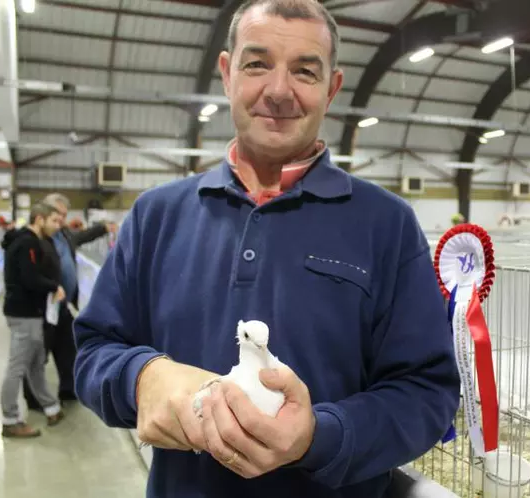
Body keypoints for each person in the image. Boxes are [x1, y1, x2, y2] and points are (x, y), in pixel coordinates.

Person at [73, 0, 460, 496]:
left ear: (332, 88)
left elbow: (426, 392)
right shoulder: (157, 215)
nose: (279, 91)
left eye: (304, 71)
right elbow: (94, 351)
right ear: (226, 73)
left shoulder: (386, 224)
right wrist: (140, 377)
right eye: (257, 64)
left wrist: (318, 436)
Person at [22, 193, 116, 410]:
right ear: (44, 215)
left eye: (64, 216)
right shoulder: (36, 240)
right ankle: (33, 398)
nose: (61, 220)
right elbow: (28, 273)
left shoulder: (63, 234)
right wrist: (52, 287)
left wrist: (104, 228)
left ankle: (69, 389)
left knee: (67, 349)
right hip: (43, 306)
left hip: (62, 305)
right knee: (38, 354)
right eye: (57, 215)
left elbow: (81, 237)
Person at [0, 202, 67, 438]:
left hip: (31, 312)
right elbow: (29, 278)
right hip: (23, 313)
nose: (58, 226)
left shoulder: (26, 241)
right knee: (17, 368)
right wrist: (54, 287)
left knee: (36, 363)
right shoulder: (27, 242)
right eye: (54, 221)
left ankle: (52, 408)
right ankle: (10, 420)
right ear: (40, 219)